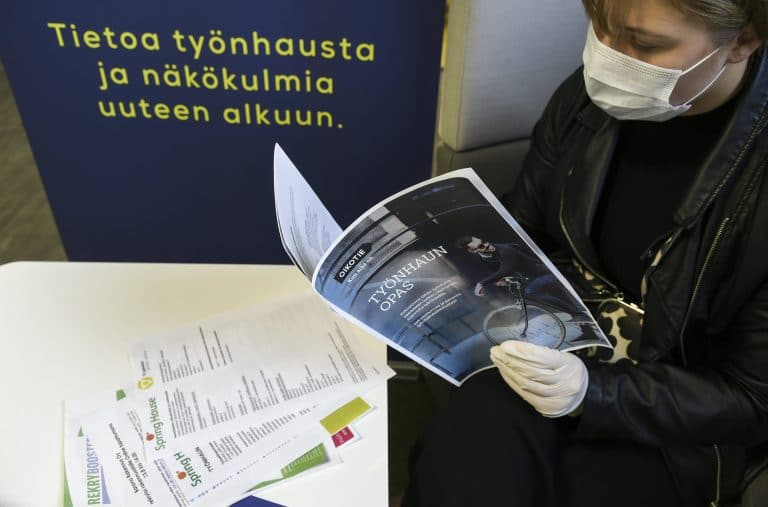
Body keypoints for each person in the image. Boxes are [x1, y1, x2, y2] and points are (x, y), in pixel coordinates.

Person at [402, 1, 768, 506]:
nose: (609, 59)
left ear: (744, 40)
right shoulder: (589, 103)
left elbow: (752, 397)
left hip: (676, 428)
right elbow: (526, 233)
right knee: (475, 430)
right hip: (559, 350)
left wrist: (588, 392)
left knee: (478, 439)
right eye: (600, 27)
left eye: (644, 44)